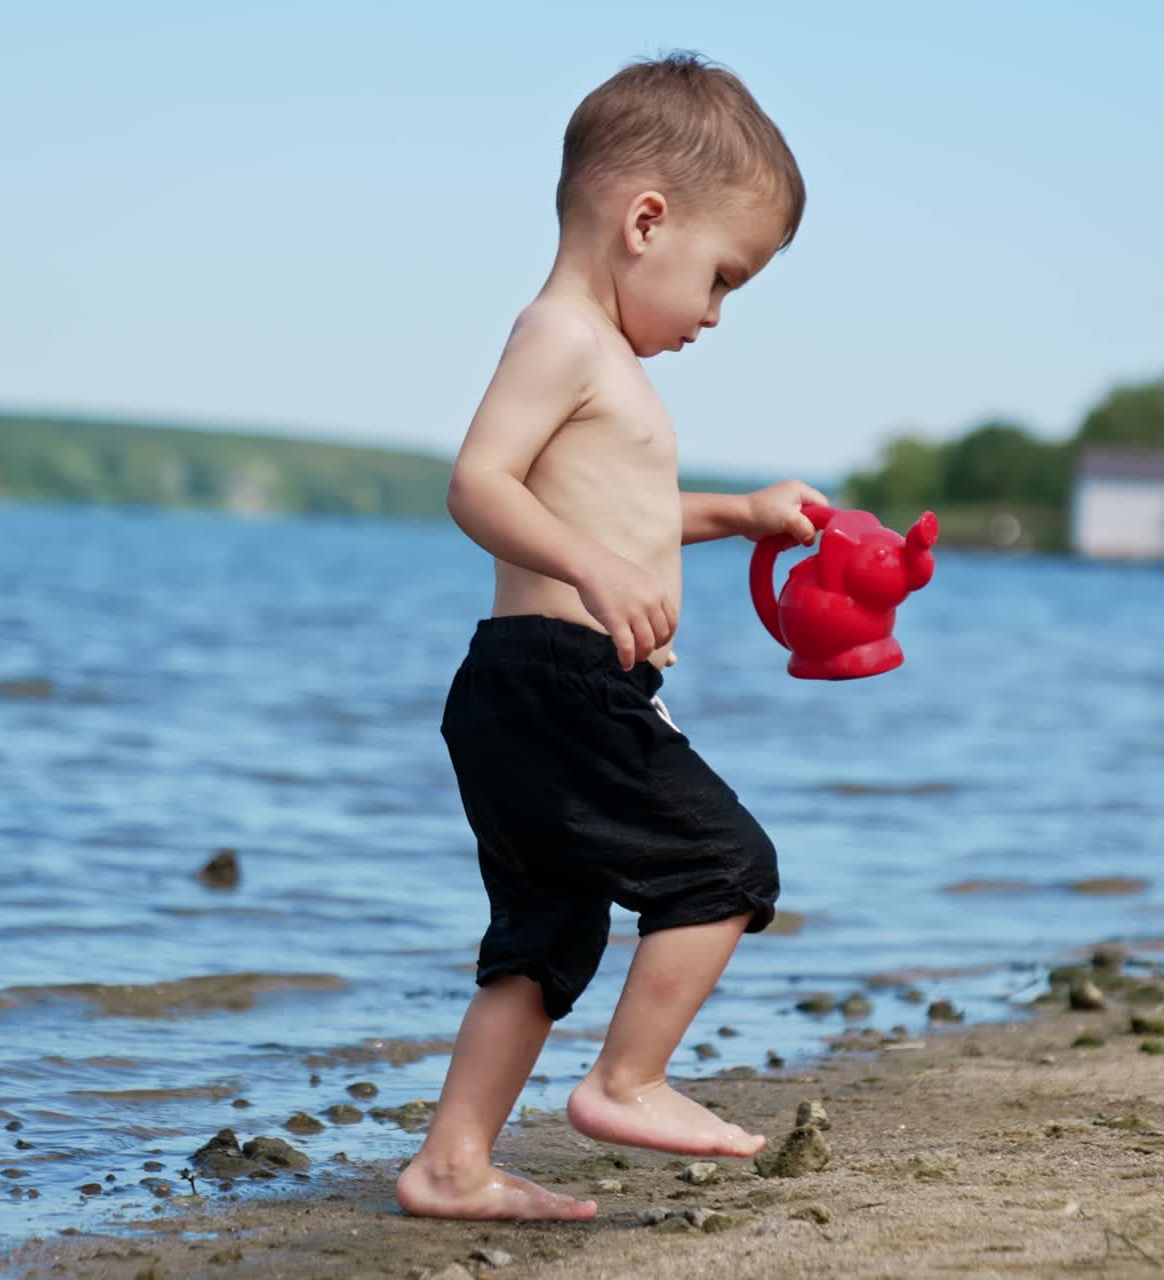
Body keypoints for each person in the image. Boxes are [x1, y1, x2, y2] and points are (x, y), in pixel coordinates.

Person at [396, 50, 827, 1222]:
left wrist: (735, 514)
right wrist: (586, 565)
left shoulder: (606, 364)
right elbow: (476, 483)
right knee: (725, 865)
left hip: (526, 691)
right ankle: (628, 1078)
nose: (715, 314)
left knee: (545, 931)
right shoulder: (562, 336)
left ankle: (451, 1164)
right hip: (556, 679)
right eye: (720, 276)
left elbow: (621, 516)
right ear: (646, 219)